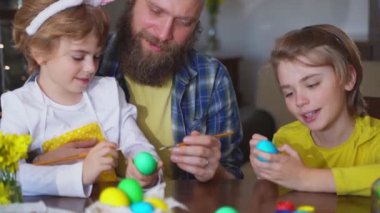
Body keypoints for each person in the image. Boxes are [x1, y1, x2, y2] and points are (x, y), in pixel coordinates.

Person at [0, 0, 161, 198]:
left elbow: (135, 142)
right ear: (39, 52)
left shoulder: (107, 92)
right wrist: (80, 174)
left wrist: (145, 167)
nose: (91, 67)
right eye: (78, 57)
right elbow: (6, 172)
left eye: (96, 56)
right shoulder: (20, 106)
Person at [97, 0, 243, 181]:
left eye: (184, 22)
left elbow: (233, 180)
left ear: (195, 25)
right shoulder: (88, 61)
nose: (164, 34)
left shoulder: (212, 78)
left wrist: (215, 172)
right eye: (156, 11)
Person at [249, 24, 380, 196]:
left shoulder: (374, 139)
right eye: (288, 93)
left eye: (312, 84)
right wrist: (266, 173)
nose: (299, 101)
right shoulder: (287, 140)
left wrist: (304, 178)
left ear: (348, 78)